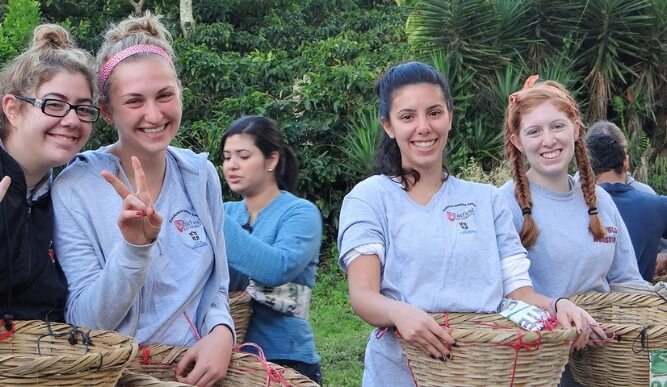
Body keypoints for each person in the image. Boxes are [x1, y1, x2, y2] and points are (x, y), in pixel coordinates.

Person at [337, 62, 598, 387]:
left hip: (482, 374)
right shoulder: (370, 198)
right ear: (388, 126)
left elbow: (519, 292)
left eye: (434, 112)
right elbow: (363, 294)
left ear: (449, 116)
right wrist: (400, 313)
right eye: (407, 117)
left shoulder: (487, 200)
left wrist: (558, 305)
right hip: (400, 374)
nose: (423, 127)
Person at [51, 13, 234, 387]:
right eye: (134, 101)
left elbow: (217, 283)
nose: (154, 114)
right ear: (106, 110)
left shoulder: (200, 175)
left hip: (196, 370)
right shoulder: (76, 187)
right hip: (122, 374)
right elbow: (85, 322)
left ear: (180, 91)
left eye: (164, 95)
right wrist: (135, 249)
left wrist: (221, 332)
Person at [499, 76, 647, 386]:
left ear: (576, 129)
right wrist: (559, 323)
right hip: (538, 367)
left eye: (557, 126)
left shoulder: (600, 199)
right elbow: (501, 297)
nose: (548, 140)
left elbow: (625, 280)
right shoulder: (503, 204)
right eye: (534, 131)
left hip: (605, 365)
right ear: (517, 141)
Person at [0, 24, 97, 324]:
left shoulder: (68, 196)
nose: (71, 121)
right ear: (12, 108)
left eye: (83, 109)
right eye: (54, 105)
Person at [220, 115, 322, 384]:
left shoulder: (300, 213)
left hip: (286, 358)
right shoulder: (226, 212)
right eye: (227, 157)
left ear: (271, 160)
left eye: (243, 155)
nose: (232, 165)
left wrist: (210, 216)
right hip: (226, 358)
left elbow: (276, 268)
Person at [585, 120, 667, 277]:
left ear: (586, 164)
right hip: (639, 298)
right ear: (626, 162)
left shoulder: (573, 203)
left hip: (582, 300)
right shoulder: (653, 203)